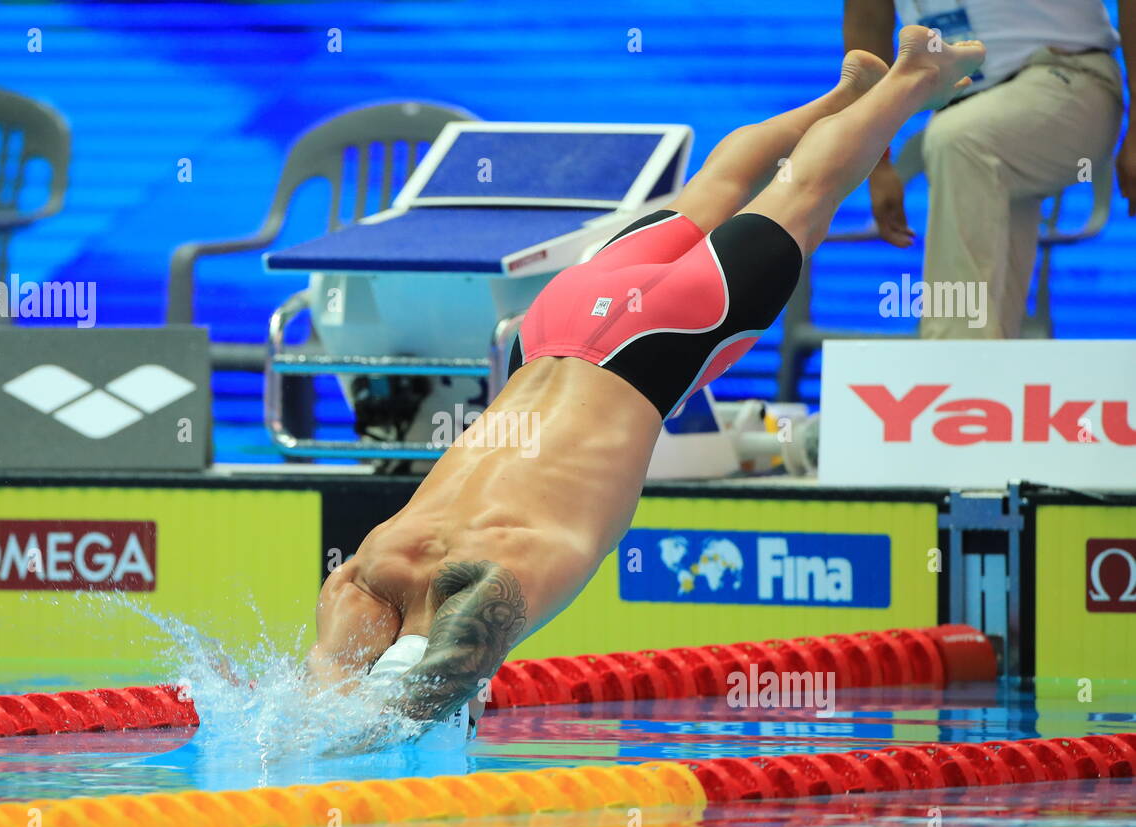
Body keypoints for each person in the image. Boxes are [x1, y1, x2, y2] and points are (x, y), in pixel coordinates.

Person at [309, 28, 986, 750]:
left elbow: (424, 682)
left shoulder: (500, 570)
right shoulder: (373, 569)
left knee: (803, 194)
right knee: (709, 193)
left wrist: (364, 747)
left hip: (656, 346)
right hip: (554, 324)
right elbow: (325, 686)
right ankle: (844, 93)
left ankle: (912, 80)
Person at [845, 0, 1132, 338]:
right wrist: (876, 162)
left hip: (1069, 79)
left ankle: (948, 368)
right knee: (992, 322)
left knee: (959, 140)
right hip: (973, 109)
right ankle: (983, 375)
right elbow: (867, 19)